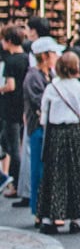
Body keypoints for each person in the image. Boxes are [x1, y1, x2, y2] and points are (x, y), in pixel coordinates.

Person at [36, 51, 80, 233]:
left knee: (55, 173)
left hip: (56, 133)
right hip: (76, 132)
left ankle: (51, 217)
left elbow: (44, 116)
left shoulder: (52, 89)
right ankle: (75, 218)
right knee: (76, 173)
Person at [24, 36, 61, 217]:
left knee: (48, 169)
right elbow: (39, 103)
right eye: (53, 53)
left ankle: (48, 208)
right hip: (38, 127)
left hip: (50, 126)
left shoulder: (51, 75)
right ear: (45, 55)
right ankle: (39, 210)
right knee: (38, 169)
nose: (56, 56)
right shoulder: (33, 76)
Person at [0, 23, 29, 197]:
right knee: (11, 142)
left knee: (12, 147)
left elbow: (10, 85)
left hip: (9, 107)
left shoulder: (10, 61)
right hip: (22, 106)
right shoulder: (26, 58)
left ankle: (16, 183)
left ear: (9, 41)